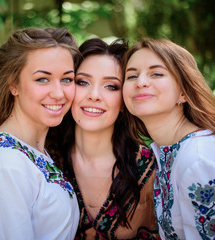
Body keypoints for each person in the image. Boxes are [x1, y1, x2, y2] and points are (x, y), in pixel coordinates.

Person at [122, 38, 215, 239]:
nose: (141, 82)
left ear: (184, 92)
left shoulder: (200, 162)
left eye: (156, 73)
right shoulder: (169, 151)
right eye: (131, 75)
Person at [0, 27, 81, 239]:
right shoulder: (4, 166)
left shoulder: (34, 148)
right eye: (43, 79)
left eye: (67, 79)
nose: (59, 93)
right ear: (13, 84)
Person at [46, 38, 160, 239]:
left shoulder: (151, 169)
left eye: (111, 86)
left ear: (125, 97)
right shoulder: (45, 159)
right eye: (83, 82)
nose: (94, 95)